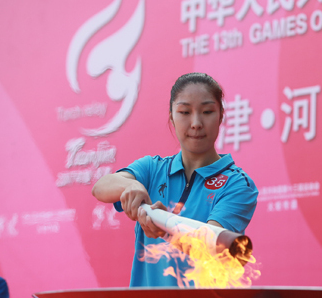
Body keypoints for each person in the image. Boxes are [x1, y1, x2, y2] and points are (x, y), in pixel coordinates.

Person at [92, 72, 258, 287]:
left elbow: (209, 246)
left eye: (207, 111)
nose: (196, 123)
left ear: (221, 115)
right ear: (171, 116)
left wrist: (163, 226)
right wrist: (132, 186)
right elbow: (100, 187)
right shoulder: (152, 168)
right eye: (184, 112)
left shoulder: (237, 184)